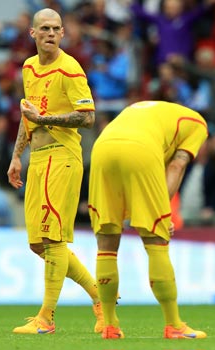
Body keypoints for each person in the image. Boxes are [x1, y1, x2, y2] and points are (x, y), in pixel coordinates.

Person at [6, 8, 103, 335]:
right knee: (38, 244)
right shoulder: (29, 67)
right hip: (38, 157)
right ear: (32, 34)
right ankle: (99, 296)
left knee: (53, 238)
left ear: (63, 34)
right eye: (44, 28)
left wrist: (45, 120)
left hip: (62, 157)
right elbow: (27, 112)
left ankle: (46, 318)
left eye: (56, 28)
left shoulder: (70, 68)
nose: (50, 33)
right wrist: (17, 155)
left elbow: (88, 117)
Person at [88, 100, 208, 340]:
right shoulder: (198, 126)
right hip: (140, 148)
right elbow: (177, 164)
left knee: (106, 243)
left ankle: (110, 325)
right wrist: (162, 212)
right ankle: (174, 325)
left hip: (102, 147)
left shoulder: (152, 111)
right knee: (156, 242)